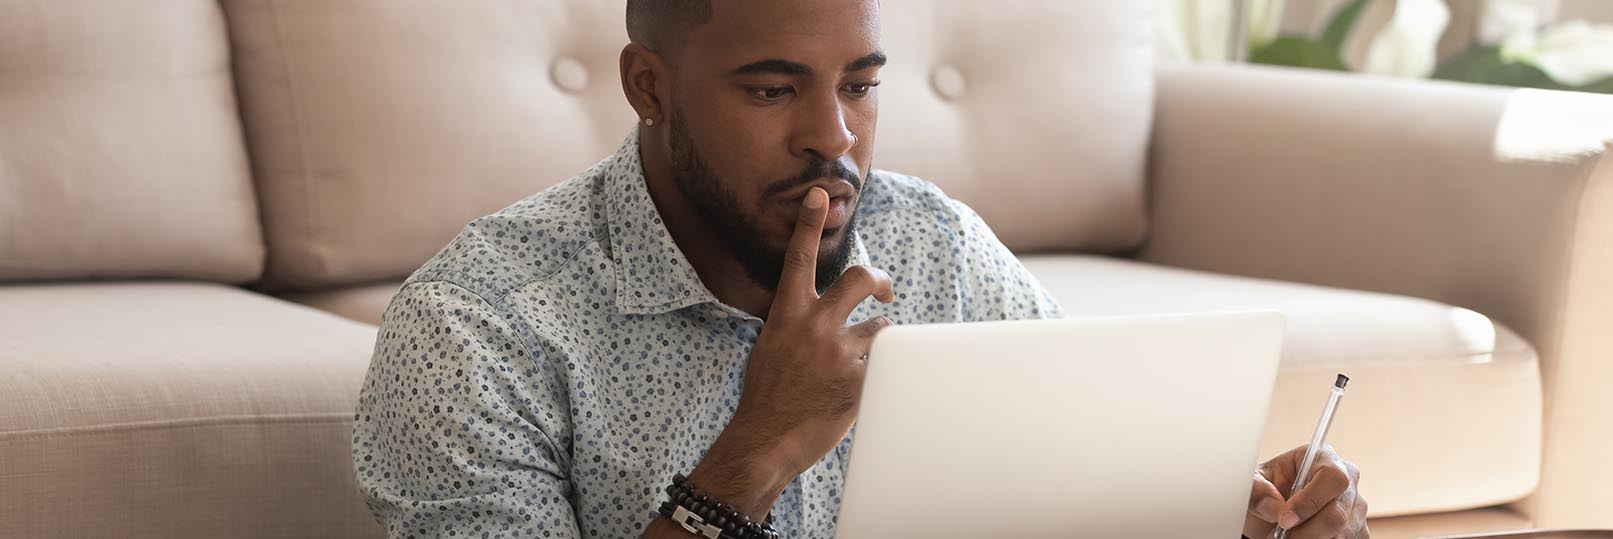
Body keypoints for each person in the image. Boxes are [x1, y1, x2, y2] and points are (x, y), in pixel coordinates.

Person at [351, 1, 1369, 537]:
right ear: (647, 85)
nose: (831, 138)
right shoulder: (474, 329)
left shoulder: (939, 250)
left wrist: (1236, 518)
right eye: (769, 90)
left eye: (860, 85)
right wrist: (753, 451)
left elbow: (1089, 501)